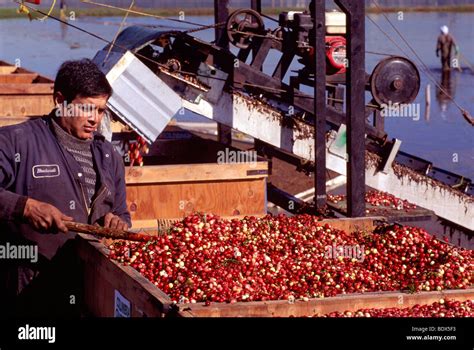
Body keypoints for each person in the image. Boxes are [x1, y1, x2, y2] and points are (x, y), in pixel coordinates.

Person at [0, 58, 131, 317]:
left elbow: (122, 214)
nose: (95, 119)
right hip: (28, 292)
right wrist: (24, 207)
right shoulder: (16, 142)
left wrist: (118, 224)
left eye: (102, 110)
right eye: (86, 109)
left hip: (91, 290)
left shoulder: (109, 157)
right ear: (60, 101)